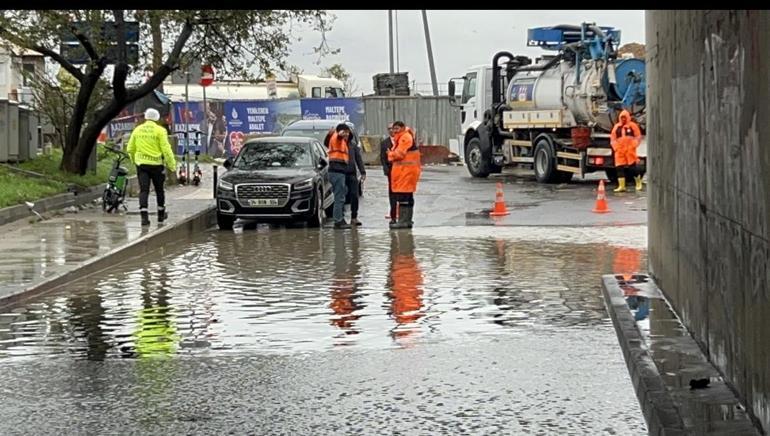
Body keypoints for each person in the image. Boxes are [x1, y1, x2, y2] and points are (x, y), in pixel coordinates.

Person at [126, 108, 177, 226]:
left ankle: (144, 217)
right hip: (156, 165)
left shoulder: (137, 130)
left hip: (142, 165)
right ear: (157, 118)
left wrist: (134, 160)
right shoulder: (160, 130)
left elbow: (130, 148)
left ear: (146, 117)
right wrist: (172, 165)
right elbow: (166, 149)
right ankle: (160, 215)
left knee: (144, 190)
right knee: (159, 190)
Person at [387, 121, 421, 229]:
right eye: (393, 129)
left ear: (402, 128)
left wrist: (390, 154)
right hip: (406, 172)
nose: (395, 131)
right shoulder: (404, 137)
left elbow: (399, 154)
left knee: (403, 197)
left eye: (397, 128)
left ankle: (403, 221)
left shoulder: (404, 138)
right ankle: (407, 220)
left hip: (405, 173)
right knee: (408, 197)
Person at [326, 123, 354, 229]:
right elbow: (339, 136)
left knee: (341, 194)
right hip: (337, 172)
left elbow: (327, 142)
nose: (347, 134)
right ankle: (338, 221)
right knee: (339, 198)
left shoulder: (338, 140)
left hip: (338, 172)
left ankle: (339, 218)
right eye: (345, 132)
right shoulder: (337, 138)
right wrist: (340, 133)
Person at [610, 109, 643, 192]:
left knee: (633, 168)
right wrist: (616, 148)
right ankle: (622, 186)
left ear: (628, 117)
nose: (623, 119)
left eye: (625, 117)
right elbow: (613, 139)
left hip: (629, 150)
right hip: (620, 150)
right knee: (619, 168)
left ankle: (638, 183)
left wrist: (633, 146)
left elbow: (638, 137)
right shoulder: (617, 127)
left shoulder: (633, 126)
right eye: (622, 117)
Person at [344, 130, 367, 226]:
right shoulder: (336, 144)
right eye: (343, 132)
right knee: (341, 196)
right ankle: (341, 218)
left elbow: (358, 159)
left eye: (347, 133)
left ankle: (354, 217)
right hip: (340, 174)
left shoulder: (353, 145)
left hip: (352, 174)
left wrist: (363, 172)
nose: (345, 135)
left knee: (354, 195)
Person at [380, 123, 398, 222]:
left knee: (402, 193)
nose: (391, 130)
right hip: (391, 171)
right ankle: (393, 216)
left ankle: (403, 215)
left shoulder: (401, 141)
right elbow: (383, 158)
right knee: (392, 193)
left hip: (401, 171)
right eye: (389, 129)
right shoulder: (384, 143)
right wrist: (386, 169)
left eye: (393, 128)